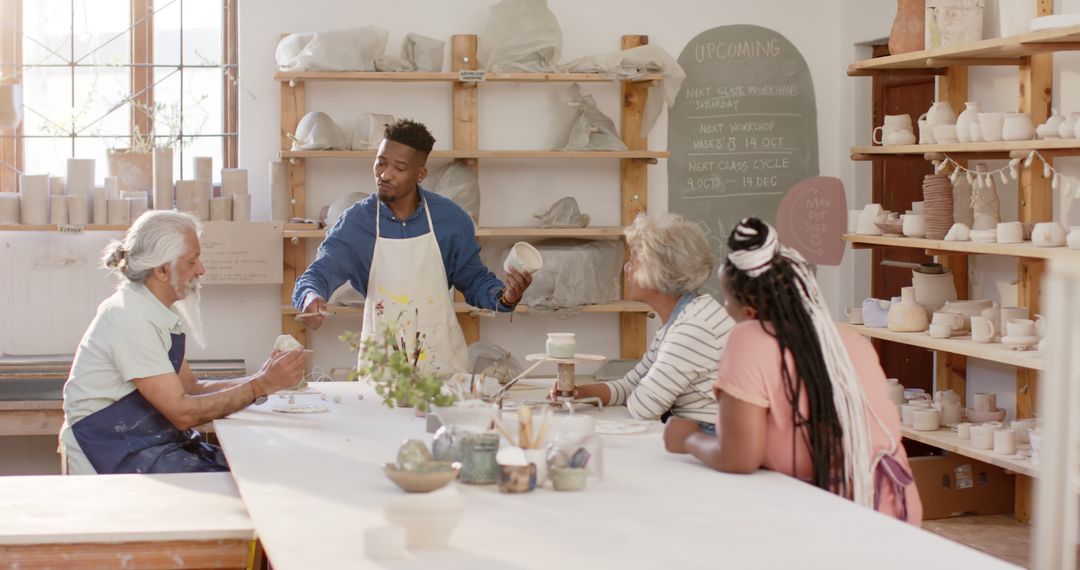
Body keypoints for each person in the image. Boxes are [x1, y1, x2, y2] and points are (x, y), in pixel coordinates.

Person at [663, 218, 922, 524]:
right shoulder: (846, 338)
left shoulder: (749, 337)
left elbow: (738, 456)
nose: (725, 308)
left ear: (749, 310)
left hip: (836, 523)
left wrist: (689, 438)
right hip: (893, 510)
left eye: (727, 299)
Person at [60, 211, 306, 474]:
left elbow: (190, 387)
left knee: (255, 465)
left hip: (145, 442)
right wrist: (260, 385)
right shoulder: (129, 316)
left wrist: (264, 378)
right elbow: (182, 413)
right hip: (111, 449)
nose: (201, 270)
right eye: (192, 261)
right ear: (163, 270)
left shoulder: (153, 310)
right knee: (247, 479)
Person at [293, 119, 531, 376]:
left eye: (399, 167)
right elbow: (318, 273)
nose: (384, 174)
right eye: (380, 162)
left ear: (420, 174)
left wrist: (506, 297)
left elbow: (473, 279)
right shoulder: (356, 223)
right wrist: (311, 297)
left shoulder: (451, 220)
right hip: (383, 369)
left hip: (442, 367)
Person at [558, 212, 733, 426]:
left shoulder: (694, 327)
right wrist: (578, 393)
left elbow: (644, 407)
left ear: (660, 271)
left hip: (711, 437)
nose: (626, 268)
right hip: (692, 432)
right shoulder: (680, 319)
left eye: (634, 260)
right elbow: (630, 385)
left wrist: (640, 392)